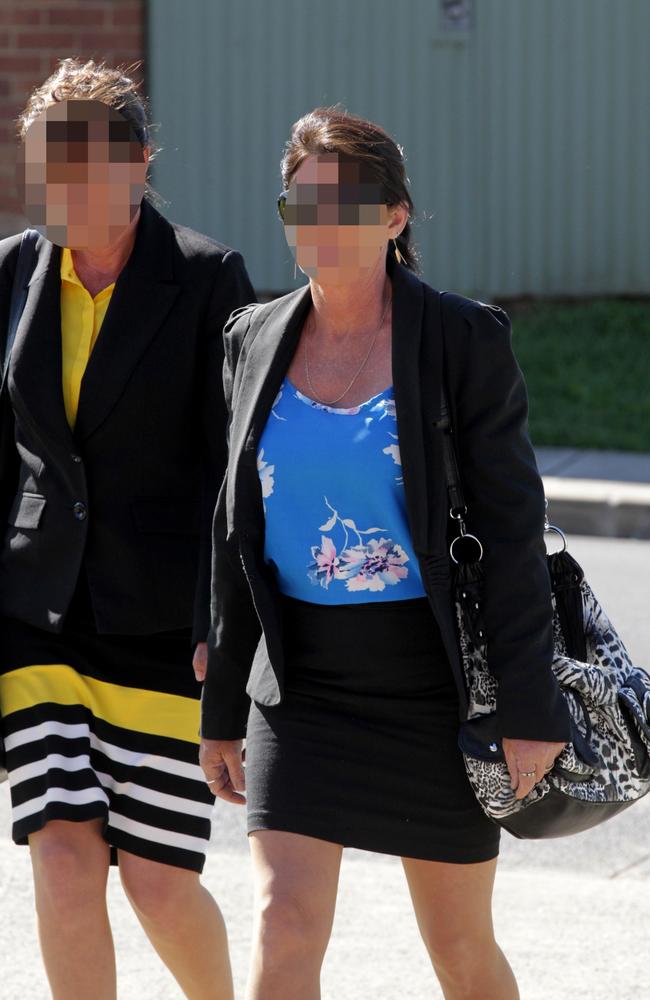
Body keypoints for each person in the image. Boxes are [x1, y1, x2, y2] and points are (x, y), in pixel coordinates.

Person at [200, 106, 571, 1000]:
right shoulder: (251, 339)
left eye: (342, 202)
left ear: (395, 216)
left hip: (430, 686)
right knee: (281, 926)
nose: (319, 224)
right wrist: (220, 700)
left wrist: (528, 700)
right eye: (302, 204)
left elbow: (513, 529)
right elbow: (236, 527)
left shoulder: (459, 341)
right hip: (301, 689)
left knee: (459, 950)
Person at [0, 59, 254, 1000]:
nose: (58, 190)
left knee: (155, 877)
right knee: (61, 858)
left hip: (160, 627)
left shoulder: (204, 278)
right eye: (43, 167)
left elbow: (234, 472)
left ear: (139, 162)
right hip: (37, 616)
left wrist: (219, 625)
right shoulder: (14, 270)